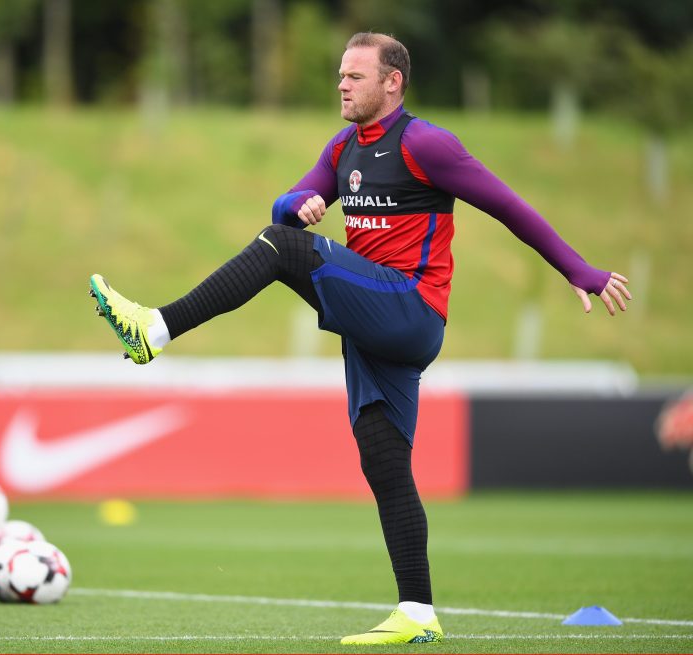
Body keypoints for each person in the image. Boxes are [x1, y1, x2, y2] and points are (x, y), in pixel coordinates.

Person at [88, 32, 631, 645]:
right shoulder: (342, 147)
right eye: (339, 74)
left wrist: (576, 269)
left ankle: (153, 330)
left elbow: (510, 206)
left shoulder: (427, 144)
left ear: (392, 82)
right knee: (383, 460)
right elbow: (283, 206)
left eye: (355, 75)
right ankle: (419, 614)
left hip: (411, 308)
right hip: (371, 320)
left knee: (282, 250)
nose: (341, 84)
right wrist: (302, 203)